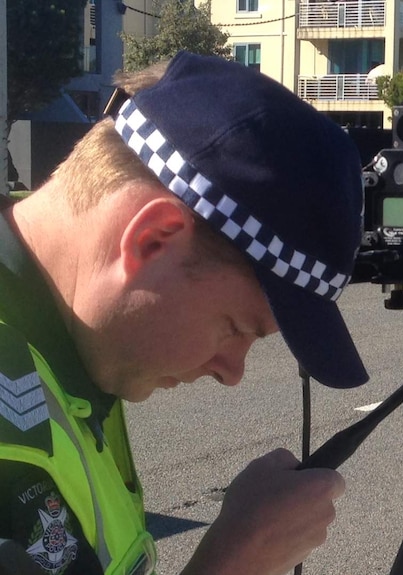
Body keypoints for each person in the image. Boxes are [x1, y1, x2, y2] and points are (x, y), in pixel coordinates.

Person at [0, 51, 369, 575]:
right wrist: (234, 562)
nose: (233, 372)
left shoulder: (73, 340)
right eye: (237, 328)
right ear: (151, 240)